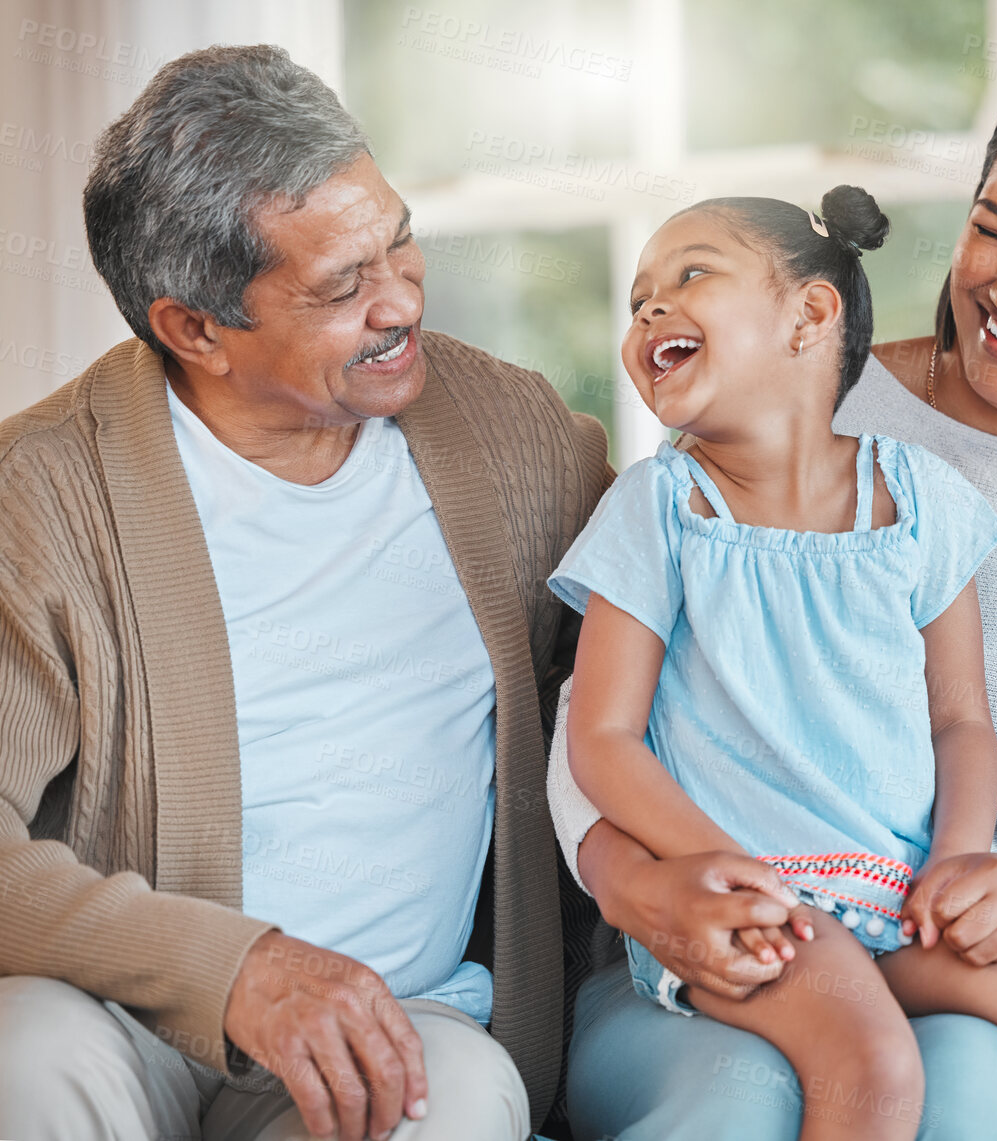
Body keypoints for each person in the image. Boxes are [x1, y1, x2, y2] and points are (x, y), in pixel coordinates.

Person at [550, 62, 997, 1138]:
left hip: (938, 915)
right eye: (991, 232)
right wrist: (639, 881)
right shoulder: (792, 395)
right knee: (774, 1091)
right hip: (726, 909)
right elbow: (596, 721)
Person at [0, 46, 610, 1141]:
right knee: (21, 1053)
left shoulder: (515, 435)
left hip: (403, 1024)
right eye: (342, 285)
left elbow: (704, 572)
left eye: (401, 240)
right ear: (193, 327)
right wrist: (232, 971)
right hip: (127, 1020)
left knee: (452, 1103)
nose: (403, 300)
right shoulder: (43, 494)